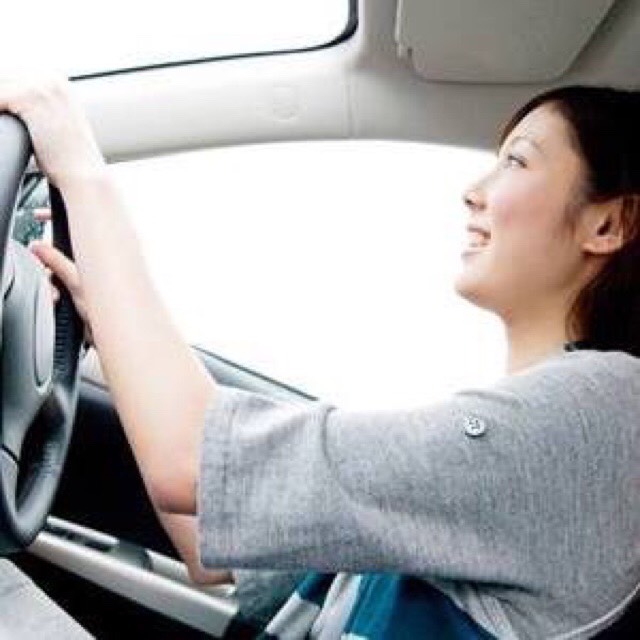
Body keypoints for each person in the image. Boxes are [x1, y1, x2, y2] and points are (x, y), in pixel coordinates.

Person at [0, 79, 639, 639]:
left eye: (516, 162)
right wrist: (107, 323)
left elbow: (188, 462)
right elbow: (210, 542)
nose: (474, 192)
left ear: (608, 225)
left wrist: (81, 168)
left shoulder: (602, 411)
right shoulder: (523, 452)